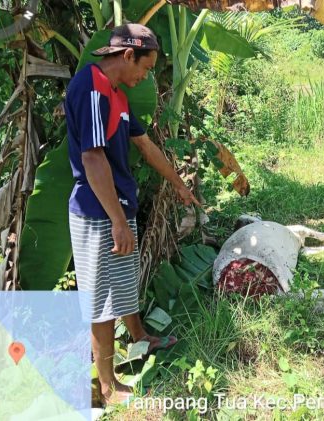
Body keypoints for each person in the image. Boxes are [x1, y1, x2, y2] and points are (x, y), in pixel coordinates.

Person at [64, 23, 200, 405]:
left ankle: (140, 337)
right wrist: (117, 221)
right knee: (102, 302)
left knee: (123, 282)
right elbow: (92, 158)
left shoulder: (118, 97)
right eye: (145, 67)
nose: (146, 76)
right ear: (127, 55)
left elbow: (146, 146)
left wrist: (178, 183)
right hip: (98, 213)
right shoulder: (90, 89)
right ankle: (105, 388)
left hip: (119, 207)